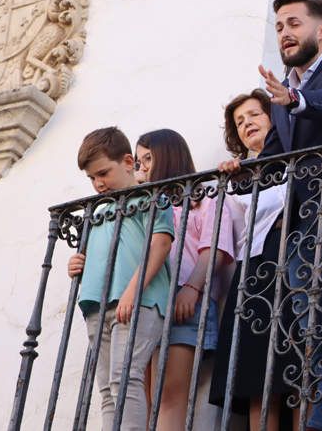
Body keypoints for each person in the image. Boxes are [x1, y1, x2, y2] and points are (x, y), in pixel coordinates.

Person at [219, 0, 322, 430]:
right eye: (279, 27)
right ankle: (312, 415)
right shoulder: (281, 101)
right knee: (307, 332)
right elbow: (271, 165)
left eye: (294, 23)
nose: (285, 33)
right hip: (300, 228)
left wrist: (294, 99)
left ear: (321, 30)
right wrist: (239, 174)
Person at [67, 127, 174, 431]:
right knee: (107, 390)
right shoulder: (98, 211)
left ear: (129, 162)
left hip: (139, 300)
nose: (98, 183)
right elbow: (95, 256)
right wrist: (77, 264)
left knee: (125, 379)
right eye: (91, 178)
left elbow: (160, 243)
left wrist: (132, 291)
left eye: (103, 173)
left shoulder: (151, 198)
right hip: (97, 307)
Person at [133, 128, 234, 430]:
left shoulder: (204, 196)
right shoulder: (143, 206)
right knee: (144, 397)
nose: (143, 168)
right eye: (138, 162)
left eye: (148, 159)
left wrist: (192, 288)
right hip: (149, 299)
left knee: (170, 395)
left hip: (186, 297)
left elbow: (213, 246)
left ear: (169, 156)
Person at [210, 89, 296, 431]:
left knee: (294, 369)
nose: (247, 124)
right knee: (259, 377)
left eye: (254, 115)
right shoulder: (238, 178)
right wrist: (231, 178)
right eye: (240, 121)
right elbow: (230, 231)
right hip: (254, 271)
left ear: (272, 117)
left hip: (292, 262)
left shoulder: (295, 156)